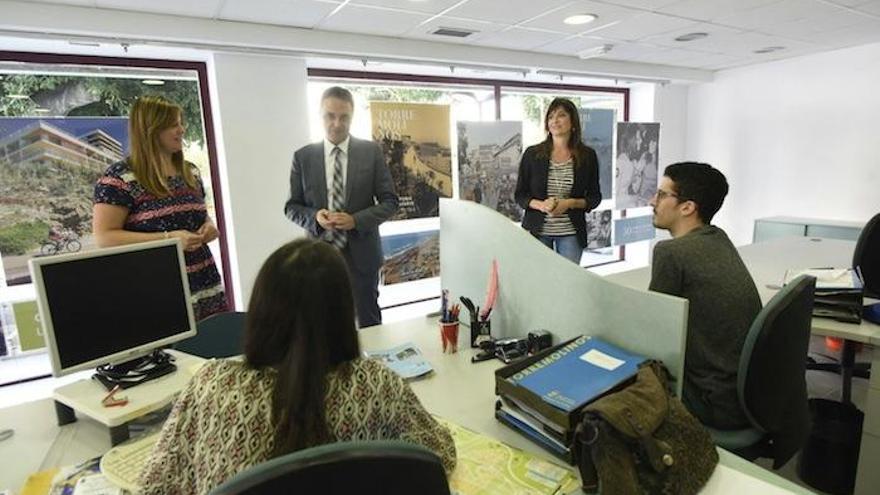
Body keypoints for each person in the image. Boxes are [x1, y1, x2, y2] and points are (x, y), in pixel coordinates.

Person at [138, 239, 456, 494]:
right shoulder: (377, 385)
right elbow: (438, 454)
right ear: (344, 312)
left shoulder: (211, 384)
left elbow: (156, 484)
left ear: (261, 310)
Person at [648, 162, 762, 430]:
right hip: (747, 396)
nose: (653, 201)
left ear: (687, 207)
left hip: (713, 401)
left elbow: (652, 334)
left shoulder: (671, 252)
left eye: (662, 195)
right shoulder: (718, 238)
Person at [93, 95, 227, 321]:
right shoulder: (120, 178)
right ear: (151, 129)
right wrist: (169, 238)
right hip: (156, 285)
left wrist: (209, 227)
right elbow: (104, 237)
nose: (181, 130)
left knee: (211, 346)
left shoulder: (190, 172)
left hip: (203, 280)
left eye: (180, 123)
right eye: (173, 125)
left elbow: (201, 217)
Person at [284, 86, 398, 328]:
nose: (337, 123)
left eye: (344, 117)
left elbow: (390, 201)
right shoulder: (303, 157)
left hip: (362, 256)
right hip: (318, 257)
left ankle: (371, 366)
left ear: (352, 117)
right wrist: (315, 217)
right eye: (330, 116)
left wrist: (356, 220)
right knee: (322, 324)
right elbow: (292, 207)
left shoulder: (371, 153)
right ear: (320, 116)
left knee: (369, 323)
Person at [514, 98, 601, 264]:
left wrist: (569, 203)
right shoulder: (532, 154)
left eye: (561, 115)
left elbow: (594, 198)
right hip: (537, 232)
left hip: (571, 233)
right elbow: (520, 195)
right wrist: (541, 205)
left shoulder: (587, 156)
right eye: (551, 116)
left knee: (568, 283)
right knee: (541, 282)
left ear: (573, 122)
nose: (555, 120)